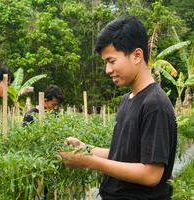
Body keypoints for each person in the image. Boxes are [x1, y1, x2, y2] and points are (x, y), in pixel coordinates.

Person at [60, 16, 177, 200]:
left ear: (137, 55)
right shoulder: (126, 100)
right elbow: (124, 155)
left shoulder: (155, 104)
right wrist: (86, 148)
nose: (107, 69)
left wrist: (88, 162)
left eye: (111, 61)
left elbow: (151, 174)